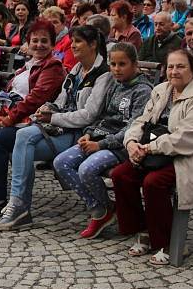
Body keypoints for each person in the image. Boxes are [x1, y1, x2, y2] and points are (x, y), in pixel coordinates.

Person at [113, 49, 193, 266]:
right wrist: (132, 143)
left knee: (153, 182)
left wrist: (148, 148)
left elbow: (185, 139)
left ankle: (169, 241)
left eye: (181, 66)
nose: (174, 71)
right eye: (171, 66)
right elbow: (141, 121)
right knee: (121, 175)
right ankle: (143, 230)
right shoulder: (161, 90)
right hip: (158, 151)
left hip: (192, 157)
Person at [0, 25, 112, 229]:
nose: (72, 46)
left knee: (21, 141)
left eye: (77, 42)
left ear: (93, 45)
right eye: (72, 41)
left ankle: (19, 205)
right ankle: (19, 204)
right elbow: (60, 99)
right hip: (61, 129)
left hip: (82, 134)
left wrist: (54, 117)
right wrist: (46, 109)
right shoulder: (76, 69)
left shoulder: (103, 74)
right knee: (22, 141)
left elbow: (89, 115)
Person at [52, 42, 153, 238]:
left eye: (122, 64)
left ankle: (101, 213)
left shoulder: (143, 91)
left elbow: (134, 127)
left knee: (86, 169)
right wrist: (89, 133)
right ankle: (103, 208)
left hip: (120, 145)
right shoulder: (114, 84)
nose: (116, 69)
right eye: (113, 64)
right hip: (98, 137)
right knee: (61, 163)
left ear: (134, 64)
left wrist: (100, 144)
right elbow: (101, 115)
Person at [0, 19, 66, 220]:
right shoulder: (27, 65)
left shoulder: (52, 67)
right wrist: (2, 113)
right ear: (28, 42)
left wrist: (7, 119)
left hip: (34, 122)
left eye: (44, 41)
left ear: (52, 44)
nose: (39, 45)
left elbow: (35, 100)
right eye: (35, 40)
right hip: (15, 115)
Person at [41, 6, 77, 71]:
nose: (52, 25)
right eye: (49, 23)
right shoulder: (46, 41)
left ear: (63, 24)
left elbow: (68, 69)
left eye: (55, 22)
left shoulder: (69, 41)